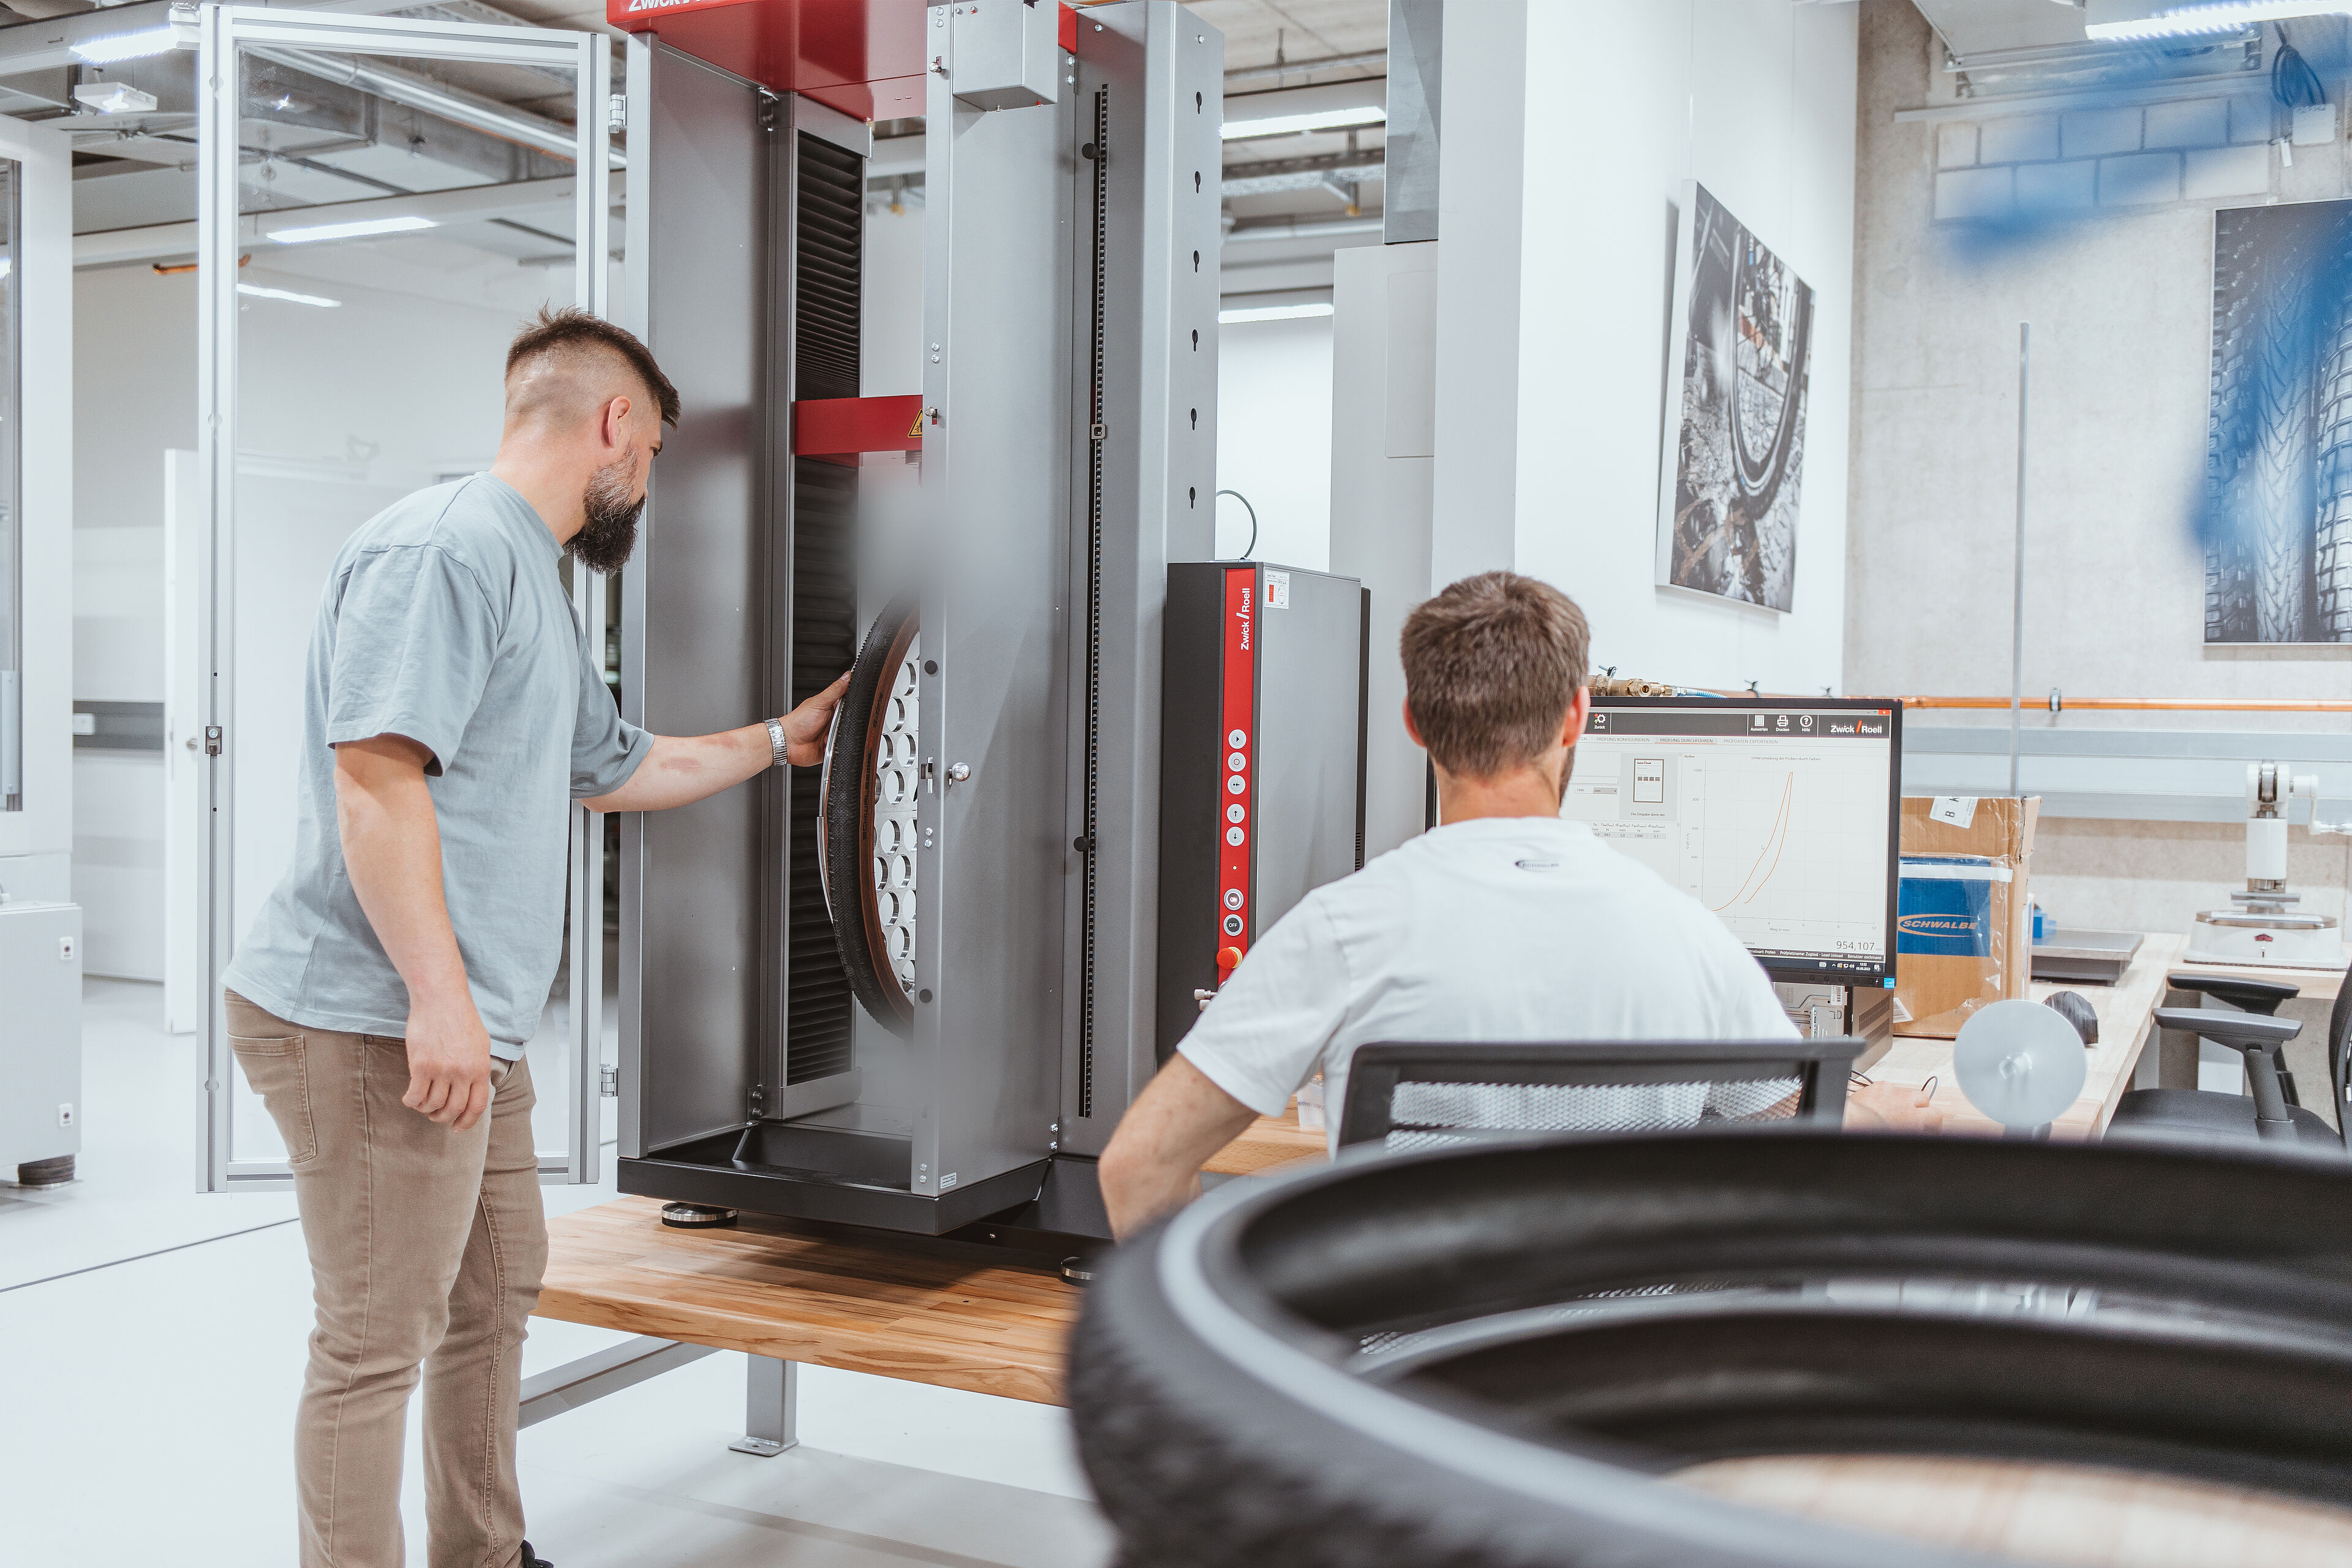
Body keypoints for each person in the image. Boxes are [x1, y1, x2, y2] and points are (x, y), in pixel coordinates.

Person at [221, 307, 849, 1568]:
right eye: (657, 454)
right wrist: (439, 998)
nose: (651, 483)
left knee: (494, 1293)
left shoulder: (533, 575)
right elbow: (376, 779)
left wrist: (782, 738)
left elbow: (615, 765)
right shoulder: (447, 551)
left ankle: (484, 1553)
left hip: (466, 1020)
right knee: (373, 1336)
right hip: (373, 1016)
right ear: (615, 426)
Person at [1097, 571, 1936, 1237]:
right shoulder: (1694, 941)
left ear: (1415, 724)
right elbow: (1800, 1124)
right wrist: (1884, 1110)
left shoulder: (1343, 930)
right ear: (1577, 717)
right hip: (1618, 1415)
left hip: (1405, 1399)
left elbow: (1136, 1167)